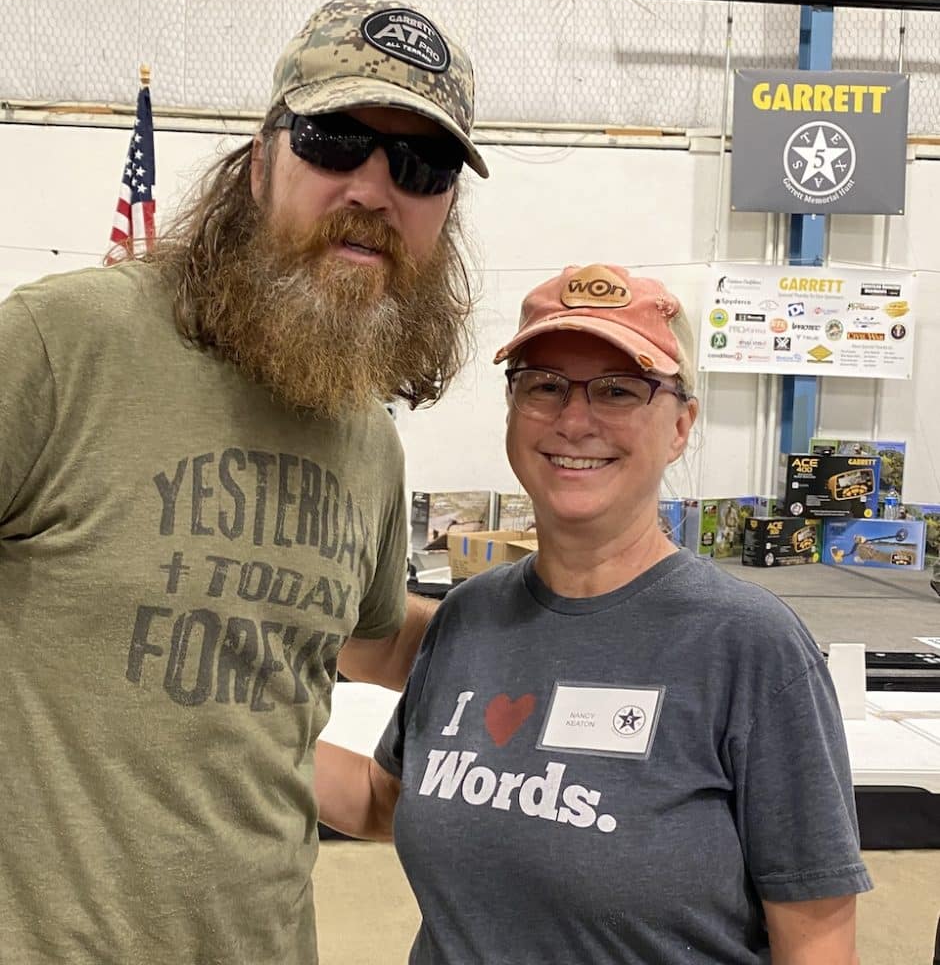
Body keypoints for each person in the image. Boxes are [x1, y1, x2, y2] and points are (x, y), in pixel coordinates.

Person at [0, 0, 487, 964]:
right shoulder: (64, 346)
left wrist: (617, 635)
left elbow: (369, 645)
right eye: (336, 140)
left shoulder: (366, 440)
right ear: (261, 160)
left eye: (419, 166)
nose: (373, 188)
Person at [316, 262, 873, 964]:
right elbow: (385, 798)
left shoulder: (749, 647)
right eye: (543, 385)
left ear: (680, 426)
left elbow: (817, 934)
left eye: (618, 390)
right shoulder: (471, 617)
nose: (574, 420)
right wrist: (227, 738)